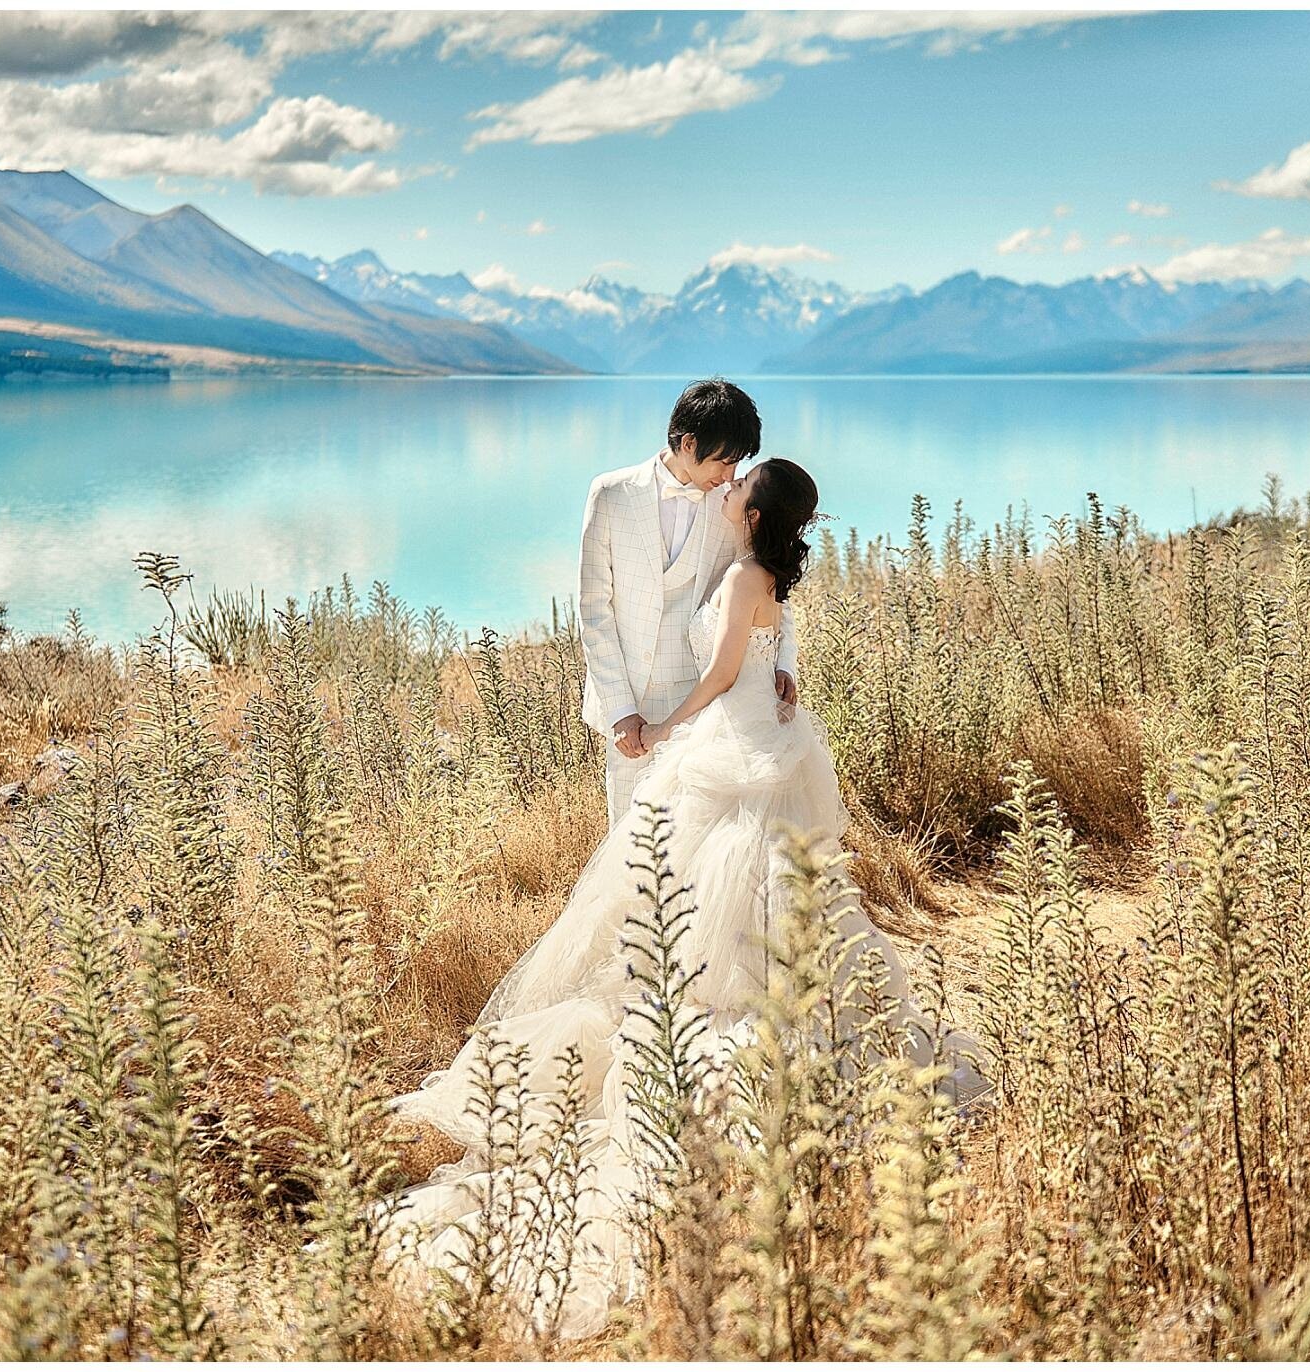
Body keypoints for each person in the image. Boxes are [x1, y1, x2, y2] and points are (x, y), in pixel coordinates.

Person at [380, 455, 993, 1341]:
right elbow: (763, 655)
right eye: (730, 472)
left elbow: (722, 671)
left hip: (726, 739)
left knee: (711, 889)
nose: (732, 486)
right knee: (755, 889)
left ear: (752, 510)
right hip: (760, 735)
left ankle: (709, 1024)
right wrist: (766, 683)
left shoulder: (744, 570)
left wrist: (671, 725)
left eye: (744, 484)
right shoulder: (763, 568)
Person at [574, 377, 801, 830]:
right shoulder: (611, 493)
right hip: (628, 708)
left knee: (695, 846)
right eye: (724, 459)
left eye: (739, 463)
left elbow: (770, 581)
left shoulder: (733, 505)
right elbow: (594, 609)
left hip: (701, 707)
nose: (731, 475)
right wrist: (621, 711)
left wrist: (784, 663)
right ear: (689, 442)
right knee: (631, 841)